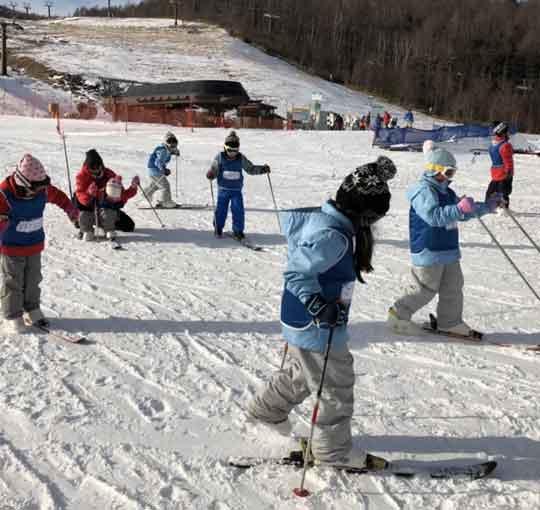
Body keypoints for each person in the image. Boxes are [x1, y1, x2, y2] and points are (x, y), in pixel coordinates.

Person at [247, 156, 397, 468]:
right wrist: (318, 306)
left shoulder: (328, 224)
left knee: (304, 374)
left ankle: (267, 411)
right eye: (371, 218)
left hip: (304, 322)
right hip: (317, 323)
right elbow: (296, 273)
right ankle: (332, 452)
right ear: (359, 211)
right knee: (335, 387)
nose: (371, 225)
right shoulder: (332, 236)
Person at [387, 141, 502, 337]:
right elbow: (433, 216)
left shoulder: (447, 192)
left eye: (453, 173)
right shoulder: (423, 191)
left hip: (448, 248)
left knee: (453, 287)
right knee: (424, 289)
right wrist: (458, 209)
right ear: (434, 170)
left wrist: (487, 207)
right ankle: (398, 314)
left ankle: (450, 321)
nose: (450, 178)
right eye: (448, 173)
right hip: (429, 248)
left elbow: (462, 213)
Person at [0, 154, 79, 334]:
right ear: (24, 183)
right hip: (11, 247)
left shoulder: (42, 189)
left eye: (42, 188)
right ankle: (12, 316)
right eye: (35, 189)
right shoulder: (4, 194)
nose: (40, 192)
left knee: (33, 279)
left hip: (34, 244)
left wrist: (70, 210)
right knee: (13, 281)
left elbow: (59, 197)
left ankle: (32, 309)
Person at [206, 130, 270, 239]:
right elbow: (214, 169)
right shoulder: (220, 157)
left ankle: (238, 230)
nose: (232, 154)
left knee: (238, 210)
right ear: (225, 148)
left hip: (236, 190)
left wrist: (262, 169)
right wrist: (211, 174)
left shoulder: (241, 158)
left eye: (235, 151)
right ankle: (218, 227)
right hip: (223, 190)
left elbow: (250, 168)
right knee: (221, 210)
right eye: (230, 151)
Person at [74, 149, 139, 241]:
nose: (96, 170)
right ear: (88, 168)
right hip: (90, 208)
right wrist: (89, 193)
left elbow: (122, 194)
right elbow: (80, 195)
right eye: (93, 169)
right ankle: (85, 229)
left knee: (129, 226)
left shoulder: (109, 174)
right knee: (82, 212)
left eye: (98, 167)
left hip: (107, 209)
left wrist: (133, 187)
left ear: (102, 165)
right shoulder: (81, 176)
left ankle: (106, 226)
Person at [143, 131, 180, 209]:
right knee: (165, 186)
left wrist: (174, 152)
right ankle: (165, 201)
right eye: (170, 141)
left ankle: (147, 193)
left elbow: (169, 152)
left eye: (174, 141)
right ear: (166, 142)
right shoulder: (162, 150)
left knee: (157, 184)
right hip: (155, 170)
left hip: (153, 170)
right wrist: (164, 170)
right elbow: (158, 162)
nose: (172, 144)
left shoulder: (166, 148)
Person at [485, 121, 514, 210]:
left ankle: (503, 209)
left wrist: (508, 172)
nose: (509, 134)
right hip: (499, 174)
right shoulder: (500, 145)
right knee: (494, 192)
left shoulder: (500, 145)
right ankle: (492, 207)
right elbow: (506, 160)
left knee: (501, 192)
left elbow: (507, 160)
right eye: (507, 132)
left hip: (502, 174)